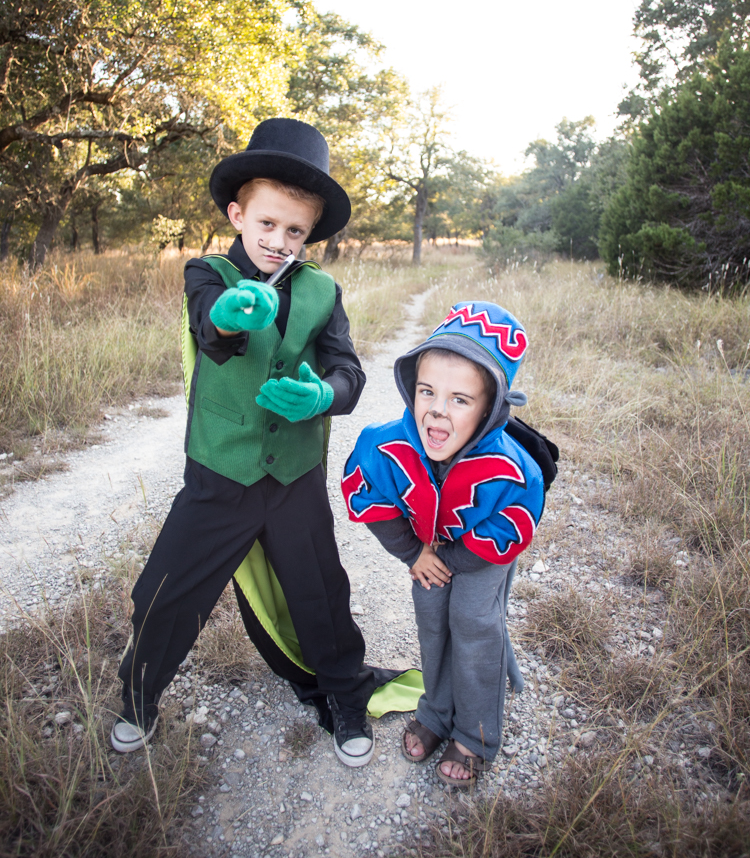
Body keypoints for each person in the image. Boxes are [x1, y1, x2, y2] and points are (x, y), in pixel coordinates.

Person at [112, 117, 375, 768]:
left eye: (295, 230)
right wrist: (230, 314)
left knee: (320, 592)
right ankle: (138, 696)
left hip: (293, 479)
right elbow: (210, 325)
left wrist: (323, 396)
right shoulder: (206, 273)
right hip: (219, 476)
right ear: (238, 212)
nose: (279, 241)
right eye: (266, 224)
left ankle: (344, 694)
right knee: (166, 591)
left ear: (309, 231)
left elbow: (349, 371)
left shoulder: (321, 290)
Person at [341, 300, 551, 786]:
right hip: (428, 549)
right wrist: (416, 554)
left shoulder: (512, 471)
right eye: (427, 391)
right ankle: (437, 710)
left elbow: (508, 530)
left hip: (483, 551)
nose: (437, 408)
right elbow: (368, 496)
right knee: (432, 615)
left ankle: (477, 733)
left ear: (490, 410)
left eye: (461, 399)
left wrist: (448, 558)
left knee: (474, 620)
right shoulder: (387, 445)